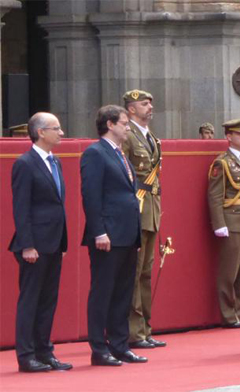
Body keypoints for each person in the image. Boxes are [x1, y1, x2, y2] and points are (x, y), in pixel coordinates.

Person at [81, 105, 146, 366]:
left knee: (123, 292)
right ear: (109, 124)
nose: (128, 127)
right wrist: (99, 231)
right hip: (107, 235)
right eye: (123, 123)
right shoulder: (95, 153)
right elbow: (91, 196)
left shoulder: (120, 154)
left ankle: (120, 345)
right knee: (103, 292)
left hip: (127, 234)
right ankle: (99, 348)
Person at [9, 112, 72, 373]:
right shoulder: (25, 163)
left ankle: (45, 352)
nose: (61, 133)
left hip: (54, 242)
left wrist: (62, 241)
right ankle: (26, 355)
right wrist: (27, 244)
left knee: (48, 300)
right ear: (40, 132)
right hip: (34, 244)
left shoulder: (55, 162)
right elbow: (21, 208)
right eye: (56, 128)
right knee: (31, 300)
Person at [120, 90, 166, 349]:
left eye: (150, 102)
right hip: (136, 208)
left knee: (146, 272)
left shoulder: (151, 138)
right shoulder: (128, 136)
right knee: (134, 272)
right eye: (144, 104)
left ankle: (145, 328)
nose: (150, 107)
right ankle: (133, 331)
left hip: (151, 208)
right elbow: (125, 174)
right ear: (131, 109)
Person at [208, 118, 240, 328]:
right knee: (229, 273)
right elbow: (215, 196)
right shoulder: (222, 162)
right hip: (233, 220)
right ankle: (229, 316)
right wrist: (219, 223)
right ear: (229, 137)